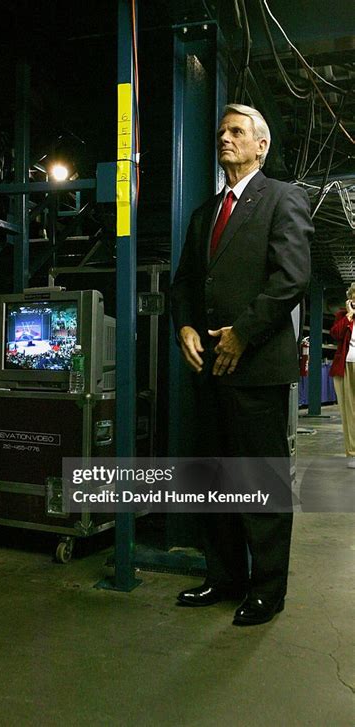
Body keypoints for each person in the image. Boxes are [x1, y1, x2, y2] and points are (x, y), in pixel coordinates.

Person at [170, 103, 313, 625]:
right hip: (209, 369)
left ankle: (267, 590)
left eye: (236, 132)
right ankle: (224, 577)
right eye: (221, 131)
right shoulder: (203, 214)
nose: (225, 139)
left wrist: (242, 334)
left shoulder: (283, 199)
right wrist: (184, 326)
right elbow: (185, 283)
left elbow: (291, 277)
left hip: (255, 370)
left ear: (261, 145)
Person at [329, 282, 355, 468]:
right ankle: (353, 452)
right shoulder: (343, 316)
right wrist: (349, 316)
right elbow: (336, 334)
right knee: (349, 411)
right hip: (346, 366)